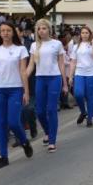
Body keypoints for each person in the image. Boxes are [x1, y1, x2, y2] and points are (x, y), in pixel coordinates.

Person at [0, 22, 33, 169]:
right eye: (3, 31)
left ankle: (24, 141)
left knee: (13, 122)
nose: (5, 33)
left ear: (13, 33)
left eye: (8, 30)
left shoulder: (20, 49)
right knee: (1, 123)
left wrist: (26, 91)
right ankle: (3, 156)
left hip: (15, 89)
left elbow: (23, 71)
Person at [26, 19, 66, 153]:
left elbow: (61, 64)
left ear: (49, 29)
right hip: (40, 79)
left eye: (44, 28)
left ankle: (52, 141)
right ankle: (48, 132)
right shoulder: (34, 45)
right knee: (39, 111)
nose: (41, 31)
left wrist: (65, 83)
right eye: (39, 29)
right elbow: (31, 65)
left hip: (54, 78)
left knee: (51, 109)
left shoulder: (57, 44)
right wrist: (22, 79)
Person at [69, 26, 93, 128]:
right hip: (79, 73)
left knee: (90, 97)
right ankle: (83, 112)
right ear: (80, 35)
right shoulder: (76, 46)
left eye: (87, 33)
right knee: (78, 94)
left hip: (92, 73)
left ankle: (89, 118)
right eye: (83, 33)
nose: (85, 34)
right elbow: (73, 62)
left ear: (89, 34)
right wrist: (70, 76)